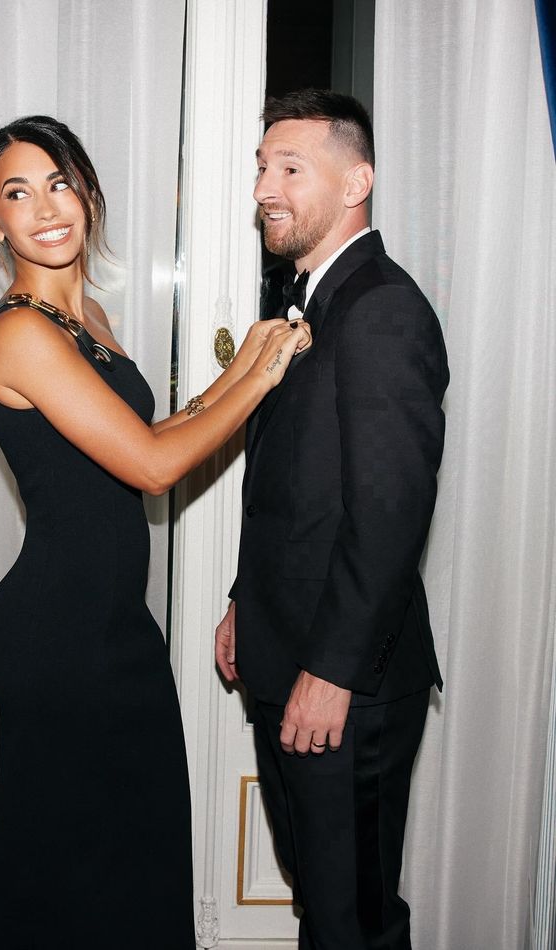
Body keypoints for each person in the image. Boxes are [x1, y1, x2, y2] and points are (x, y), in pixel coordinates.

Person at [0, 115, 310, 949]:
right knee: (68, 867)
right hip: (55, 637)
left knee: (132, 851)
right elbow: (155, 469)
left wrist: (242, 365)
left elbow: (148, 436)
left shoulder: (85, 319)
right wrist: (262, 379)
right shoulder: (19, 332)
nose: (45, 207)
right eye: (18, 193)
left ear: (88, 195)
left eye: (60, 183)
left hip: (112, 628)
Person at [215, 89, 449, 950]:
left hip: (346, 683)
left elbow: (389, 512)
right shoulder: (309, 301)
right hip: (288, 654)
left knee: (354, 919)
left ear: (357, 183)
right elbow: (297, 489)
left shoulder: (381, 307)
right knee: (322, 899)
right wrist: (244, 602)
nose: (263, 189)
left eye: (289, 168)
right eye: (260, 169)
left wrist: (331, 672)